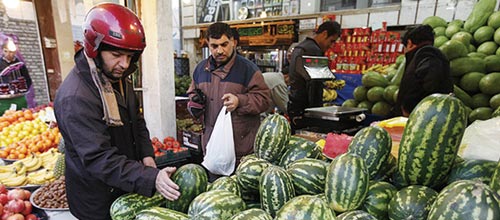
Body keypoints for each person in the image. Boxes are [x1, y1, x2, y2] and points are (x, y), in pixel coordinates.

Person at [53, 3, 180, 219]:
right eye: (117, 55)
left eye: (130, 57)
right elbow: (99, 158)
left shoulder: (117, 79)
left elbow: (136, 121)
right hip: (96, 202)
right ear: (94, 47)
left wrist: (147, 155)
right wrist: (149, 179)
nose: (124, 64)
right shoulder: (76, 97)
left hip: (122, 188)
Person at [187, 22, 271, 180]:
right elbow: (192, 93)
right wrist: (194, 103)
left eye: (224, 44)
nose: (219, 50)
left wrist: (240, 101)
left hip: (241, 152)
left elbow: (264, 99)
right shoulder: (200, 69)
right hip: (212, 148)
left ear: (234, 42)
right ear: (208, 45)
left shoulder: (248, 69)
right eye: (214, 46)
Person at [287, 21, 341, 132]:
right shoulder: (313, 50)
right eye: (331, 41)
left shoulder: (300, 47)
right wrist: (317, 113)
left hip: (295, 106)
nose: (331, 46)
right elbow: (314, 85)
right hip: (305, 110)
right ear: (324, 34)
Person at [396, 25, 453, 117]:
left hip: (422, 116)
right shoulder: (429, 54)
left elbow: (431, 81)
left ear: (409, 43)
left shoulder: (427, 53)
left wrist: (409, 107)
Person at [0, 38, 34, 108]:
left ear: (15, 52)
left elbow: (27, 78)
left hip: (19, 97)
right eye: (6, 51)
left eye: (11, 52)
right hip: (3, 99)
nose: (8, 54)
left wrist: (23, 89)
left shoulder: (19, 64)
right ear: (2, 51)